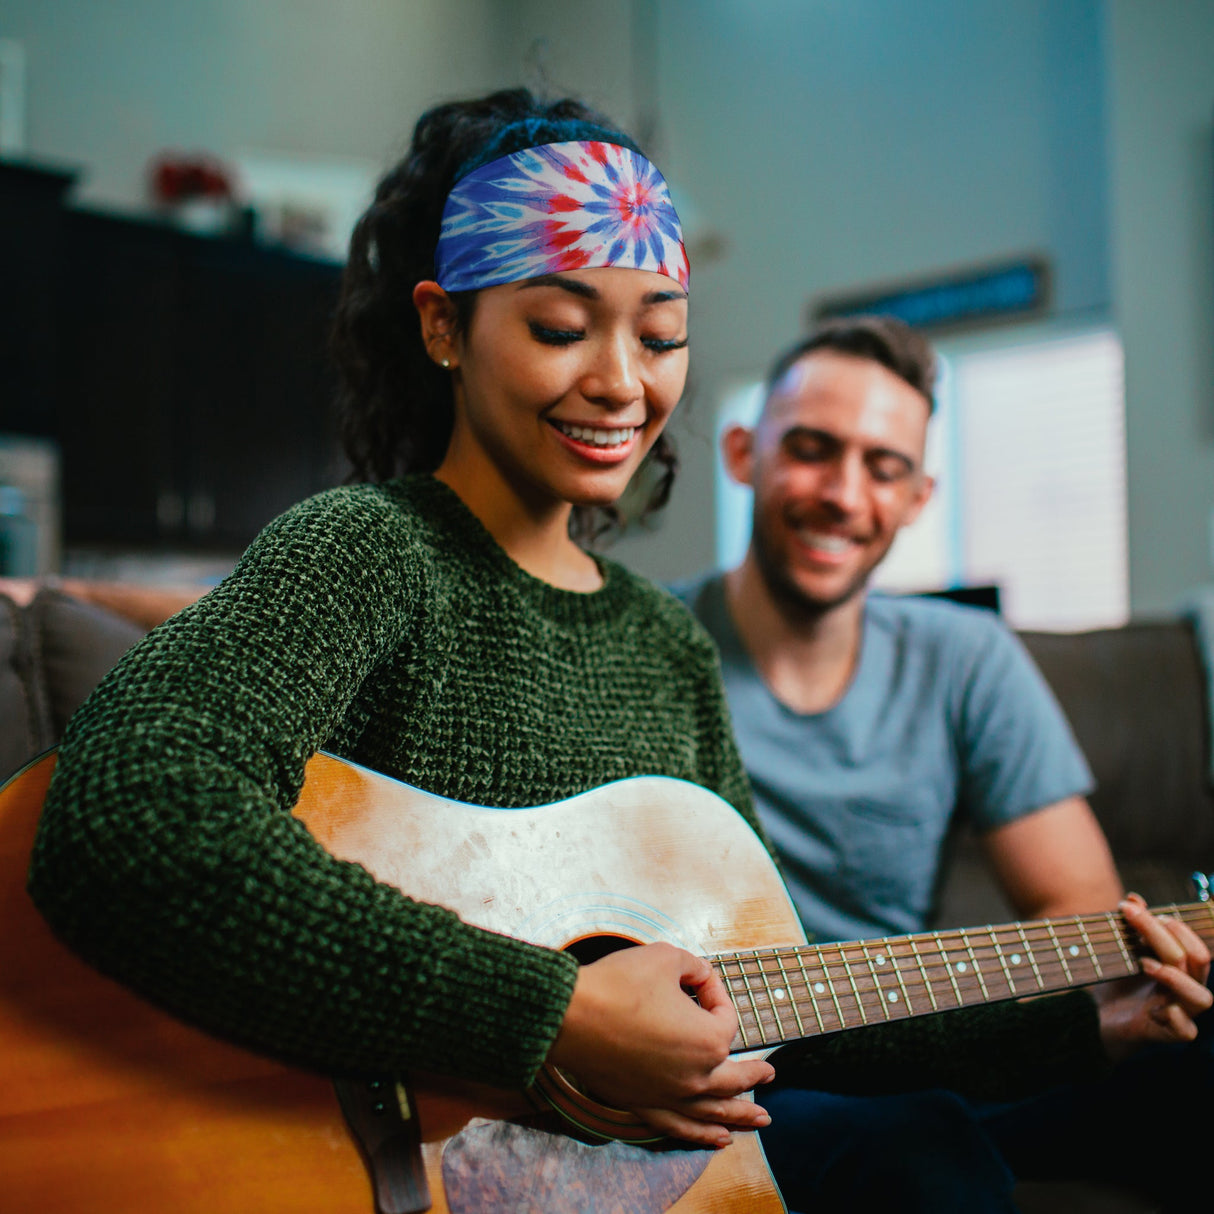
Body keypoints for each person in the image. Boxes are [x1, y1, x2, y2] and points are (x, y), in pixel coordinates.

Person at [26, 93, 1207, 1214]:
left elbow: (764, 991)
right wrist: (548, 1013)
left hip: (629, 1164)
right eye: (556, 325)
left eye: (660, 336)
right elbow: (129, 810)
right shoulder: (368, 552)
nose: (619, 383)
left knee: (931, 1149)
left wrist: (1071, 1022)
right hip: (372, 1152)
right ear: (443, 324)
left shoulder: (664, 643)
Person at [676, 314, 1213, 1209]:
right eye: (812, 449)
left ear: (919, 496)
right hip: (748, 1076)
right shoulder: (645, 640)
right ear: (743, 453)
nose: (845, 494)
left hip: (940, 1046)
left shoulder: (968, 658)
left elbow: (1075, 908)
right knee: (919, 1145)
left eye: (883, 467)